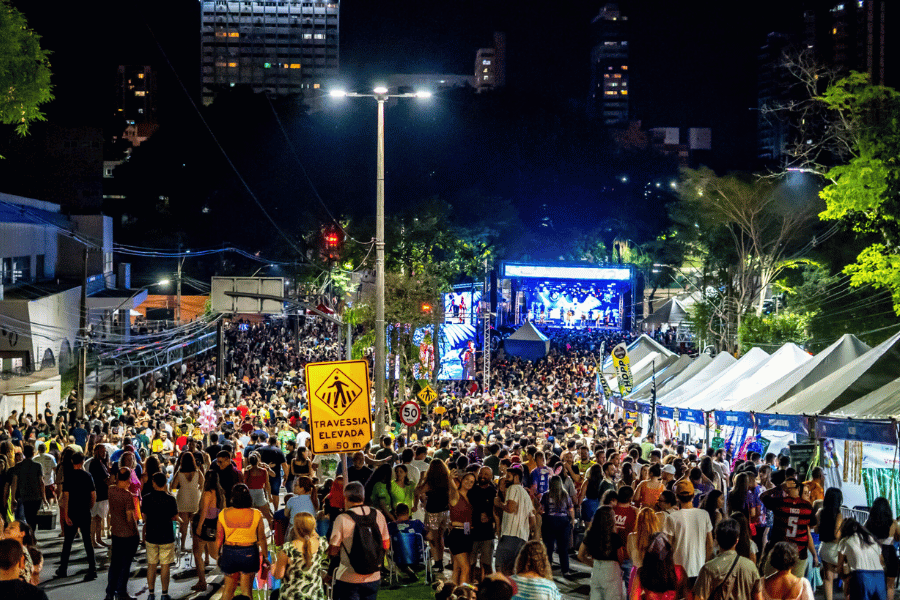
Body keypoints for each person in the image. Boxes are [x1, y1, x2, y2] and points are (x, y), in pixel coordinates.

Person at [328, 481, 390, 600]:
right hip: (374, 574)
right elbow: (386, 544)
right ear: (363, 496)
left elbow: (333, 550)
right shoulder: (378, 514)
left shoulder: (342, 518)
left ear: (345, 498)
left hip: (348, 575)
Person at [218, 484, 269, 600]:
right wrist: (265, 556)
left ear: (232, 497)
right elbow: (262, 538)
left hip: (229, 551)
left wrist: (218, 553)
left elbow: (219, 537)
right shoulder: (256, 513)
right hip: (249, 552)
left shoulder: (224, 513)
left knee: (228, 590)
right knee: (247, 592)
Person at [761, 477, 817, 577]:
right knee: (795, 586)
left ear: (785, 489)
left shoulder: (779, 503)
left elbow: (762, 496)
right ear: (799, 489)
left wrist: (777, 488)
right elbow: (813, 524)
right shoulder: (807, 507)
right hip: (799, 553)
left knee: (770, 582)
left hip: (778, 552)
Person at [663, 480, 713, 587]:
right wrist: (705, 564)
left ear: (677, 497)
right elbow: (710, 544)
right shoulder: (704, 515)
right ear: (693, 495)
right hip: (700, 569)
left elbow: (668, 546)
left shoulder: (672, 517)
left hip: (679, 570)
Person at [694, 519, 760, 600]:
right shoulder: (750, 566)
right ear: (737, 541)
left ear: (717, 539)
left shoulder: (708, 569)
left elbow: (699, 598)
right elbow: (758, 597)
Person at [57, 451, 97, 581]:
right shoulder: (88, 476)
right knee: (87, 541)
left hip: (73, 512)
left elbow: (66, 497)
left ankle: (63, 568)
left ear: (72, 462)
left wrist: (66, 514)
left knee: (68, 542)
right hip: (84, 511)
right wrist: (89, 507)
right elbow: (93, 495)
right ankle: (92, 568)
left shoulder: (69, 476)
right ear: (83, 461)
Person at [142, 472, 180, 600]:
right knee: (165, 565)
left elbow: (144, 517)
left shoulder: (146, 498)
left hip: (151, 534)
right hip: (166, 535)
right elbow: (174, 516)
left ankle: (151, 594)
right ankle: (164, 594)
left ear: (154, 483)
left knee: (151, 565)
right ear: (165, 483)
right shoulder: (171, 499)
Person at [274, 512, 328, 600]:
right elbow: (316, 536)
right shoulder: (321, 543)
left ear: (295, 527)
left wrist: (273, 569)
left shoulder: (287, 549)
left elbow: (279, 575)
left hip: (291, 594)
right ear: (313, 526)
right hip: (314, 594)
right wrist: (312, 530)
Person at [494, 466, 535, 577]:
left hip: (509, 535)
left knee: (500, 569)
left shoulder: (512, 488)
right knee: (513, 570)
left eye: (508, 476)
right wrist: (522, 527)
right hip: (522, 538)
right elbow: (533, 521)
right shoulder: (526, 494)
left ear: (516, 477)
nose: (506, 479)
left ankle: (503, 591)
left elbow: (511, 508)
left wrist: (498, 504)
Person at [106, 467, 140, 600]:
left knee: (114, 563)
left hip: (115, 532)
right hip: (127, 535)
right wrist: (136, 532)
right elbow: (129, 518)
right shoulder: (128, 496)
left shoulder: (111, 490)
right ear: (128, 480)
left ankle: (110, 592)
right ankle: (121, 592)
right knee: (125, 565)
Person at [578, 504, 624, 600]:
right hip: (612, 569)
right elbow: (621, 557)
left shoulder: (590, 534)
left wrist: (592, 563)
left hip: (597, 568)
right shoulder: (615, 537)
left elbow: (580, 555)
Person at [629, 532, 692, 600]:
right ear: (669, 554)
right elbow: (689, 597)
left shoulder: (642, 572)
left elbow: (634, 597)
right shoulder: (679, 571)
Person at [417, 459, 454, 572]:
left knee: (432, 537)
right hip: (445, 512)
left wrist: (421, 479)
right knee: (440, 537)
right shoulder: (447, 480)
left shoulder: (430, 482)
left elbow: (418, 491)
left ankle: (437, 562)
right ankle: (441, 560)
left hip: (433, 511)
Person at [837, 518, 887, 600]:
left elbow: (840, 567)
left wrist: (845, 579)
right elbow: (882, 562)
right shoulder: (872, 540)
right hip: (879, 577)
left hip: (861, 577)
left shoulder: (845, 541)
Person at [192, 469, 225, 592]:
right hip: (215, 524)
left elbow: (204, 512)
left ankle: (202, 581)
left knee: (197, 553)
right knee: (214, 554)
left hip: (206, 525)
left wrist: (199, 527)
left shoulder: (207, 493)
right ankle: (230, 572)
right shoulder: (219, 492)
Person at [865, 497, 900, 600]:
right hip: (890, 554)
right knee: (890, 586)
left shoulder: (869, 523)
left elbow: (863, 537)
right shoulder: (893, 523)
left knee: (874, 584)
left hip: (874, 553)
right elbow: (898, 536)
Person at [540, 474, 574, 576]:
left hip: (549, 521)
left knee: (549, 548)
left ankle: (548, 570)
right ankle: (565, 570)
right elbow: (570, 508)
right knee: (563, 548)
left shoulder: (546, 495)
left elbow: (541, 509)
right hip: (563, 522)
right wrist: (572, 520)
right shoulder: (565, 494)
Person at [171, 451, 203, 552]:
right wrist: (197, 490)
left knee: (183, 525)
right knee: (194, 525)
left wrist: (175, 494)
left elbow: (173, 486)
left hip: (182, 500)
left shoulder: (179, 473)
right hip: (195, 500)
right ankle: (195, 546)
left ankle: (183, 546)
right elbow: (203, 484)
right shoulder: (198, 472)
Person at [470, 466, 497, 580]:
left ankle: (486, 587)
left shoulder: (493, 492)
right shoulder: (471, 490)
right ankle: (469, 584)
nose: (483, 476)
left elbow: (497, 511)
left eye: (486, 474)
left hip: (487, 532)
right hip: (472, 531)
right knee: (470, 562)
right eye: (481, 473)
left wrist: (490, 517)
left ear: (491, 477)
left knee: (486, 563)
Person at [816, 487, 844, 600]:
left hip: (824, 549)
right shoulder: (838, 514)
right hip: (835, 550)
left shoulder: (819, 512)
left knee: (828, 578)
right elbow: (837, 535)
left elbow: (817, 530)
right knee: (847, 575)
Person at [448, 472, 475, 585]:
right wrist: (450, 479)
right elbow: (452, 489)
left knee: (458, 568)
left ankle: (453, 593)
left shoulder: (469, 498)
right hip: (458, 535)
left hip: (466, 535)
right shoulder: (456, 495)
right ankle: (463, 594)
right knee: (466, 568)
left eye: (472, 481)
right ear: (461, 480)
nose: (469, 482)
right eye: (467, 479)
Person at [9, 444, 45, 529]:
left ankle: (30, 536)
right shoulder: (37, 465)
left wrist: (13, 497)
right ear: (33, 453)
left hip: (24, 495)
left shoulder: (18, 466)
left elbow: (14, 483)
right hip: (36, 496)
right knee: (34, 517)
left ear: (24, 453)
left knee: (27, 517)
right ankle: (32, 535)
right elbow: (41, 482)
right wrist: (44, 497)